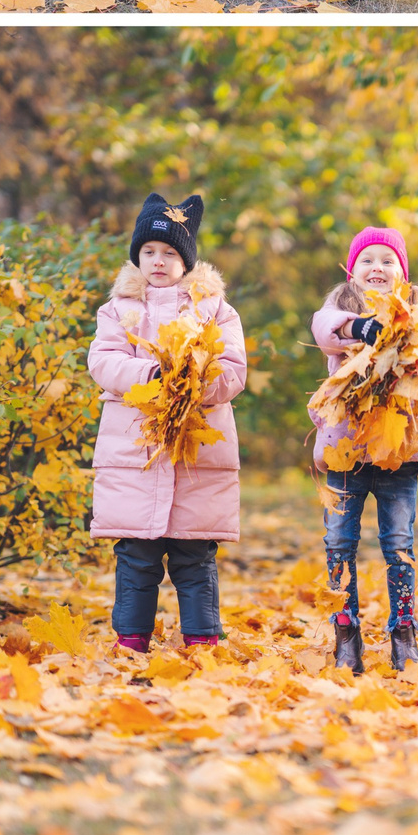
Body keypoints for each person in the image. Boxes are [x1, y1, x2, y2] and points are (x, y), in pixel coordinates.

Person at [86, 194, 248, 653]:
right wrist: (152, 376)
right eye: (150, 251)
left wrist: (195, 381)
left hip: (196, 454)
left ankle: (201, 640)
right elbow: (104, 360)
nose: (158, 261)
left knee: (194, 555)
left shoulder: (213, 309)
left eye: (171, 253)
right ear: (137, 256)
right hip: (136, 451)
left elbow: (233, 369)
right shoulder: (119, 309)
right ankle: (131, 639)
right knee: (136, 556)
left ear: (187, 261)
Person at [310, 228, 418, 674]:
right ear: (352, 271)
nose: (377, 268)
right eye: (368, 261)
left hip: (399, 453)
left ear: (401, 272)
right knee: (338, 543)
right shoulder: (338, 313)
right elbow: (324, 330)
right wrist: (360, 328)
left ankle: (403, 631)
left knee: (399, 545)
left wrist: (414, 339)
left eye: (388, 261)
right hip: (346, 454)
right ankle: (345, 632)